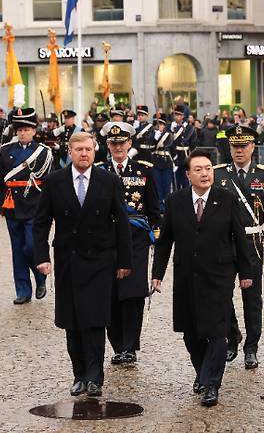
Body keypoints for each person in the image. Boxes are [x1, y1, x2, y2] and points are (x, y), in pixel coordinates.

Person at [151, 149, 254, 407]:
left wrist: (246, 273)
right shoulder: (175, 201)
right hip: (186, 274)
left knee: (217, 330)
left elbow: (240, 239)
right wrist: (157, 275)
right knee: (191, 332)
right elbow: (165, 242)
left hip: (219, 274)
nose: (205, 173)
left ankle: (211, 384)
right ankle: (202, 372)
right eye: (198, 169)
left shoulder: (226, 199)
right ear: (188, 175)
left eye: (208, 168)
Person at [33, 132, 132, 397]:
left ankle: (94, 378)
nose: (84, 154)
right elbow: (41, 222)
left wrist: (125, 260)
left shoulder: (108, 181)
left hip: (100, 260)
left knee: (95, 321)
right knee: (72, 321)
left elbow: (122, 222)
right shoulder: (54, 182)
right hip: (68, 260)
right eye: (79, 149)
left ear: (95, 151)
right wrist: (41, 257)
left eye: (88, 149)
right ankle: (78, 374)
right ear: (70, 151)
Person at [213, 125, 264, 369]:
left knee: (252, 299)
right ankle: (232, 338)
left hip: (252, 244)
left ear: (253, 147)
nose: (239, 151)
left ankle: (251, 347)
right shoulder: (218, 173)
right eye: (235, 146)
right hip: (224, 243)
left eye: (243, 146)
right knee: (222, 295)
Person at [100, 122, 161, 365]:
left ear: (129, 144)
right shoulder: (100, 171)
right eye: (113, 143)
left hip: (136, 240)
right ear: (108, 145)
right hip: (106, 239)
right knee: (111, 293)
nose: (118, 147)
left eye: (122, 143)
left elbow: (154, 207)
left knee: (133, 293)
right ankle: (117, 346)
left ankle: (130, 346)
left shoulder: (143, 171)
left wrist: (157, 233)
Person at [0, 108, 54, 304]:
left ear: (34, 131)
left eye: (27, 129)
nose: (23, 133)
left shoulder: (43, 153)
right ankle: (23, 290)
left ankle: (40, 277)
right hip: (13, 205)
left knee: (31, 246)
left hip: (35, 206)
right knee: (17, 249)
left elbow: (50, 182)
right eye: (20, 130)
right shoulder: (6, 151)